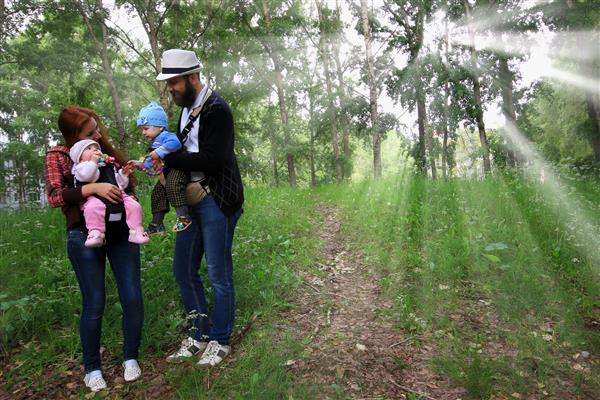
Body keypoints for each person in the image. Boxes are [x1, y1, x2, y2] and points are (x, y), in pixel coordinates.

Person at [45, 106, 144, 392]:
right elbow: (54, 197)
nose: (98, 135)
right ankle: (92, 368)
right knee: (94, 302)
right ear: (73, 135)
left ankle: (131, 357)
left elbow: (128, 188)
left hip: (121, 232)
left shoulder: (104, 152)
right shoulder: (59, 156)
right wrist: (92, 189)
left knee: (132, 296)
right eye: (91, 132)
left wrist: (123, 188)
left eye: (97, 128)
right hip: (83, 234)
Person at [156, 49, 244, 367]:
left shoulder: (217, 109)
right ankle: (198, 333)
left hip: (217, 200)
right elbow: (183, 148)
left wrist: (169, 158)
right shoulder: (184, 107)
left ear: (192, 78)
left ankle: (220, 339)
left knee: (218, 273)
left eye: (175, 83)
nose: (171, 89)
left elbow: (213, 159)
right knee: (183, 269)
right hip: (190, 203)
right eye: (169, 84)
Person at [69, 139, 149, 247]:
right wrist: (93, 162)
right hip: (94, 197)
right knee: (93, 208)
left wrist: (123, 175)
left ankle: (136, 230)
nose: (94, 150)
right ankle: (96, 233)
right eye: (89, 148)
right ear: (79, 157)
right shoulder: (81, 167)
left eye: (96, 148)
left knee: (134, 206)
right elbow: (87, 176)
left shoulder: (108, 165)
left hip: (117, 193)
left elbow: (119, 184)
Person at [134, 101, 192, 234]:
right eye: (142, 129)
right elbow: (151, 162)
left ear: (160, 126)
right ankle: (157, 224)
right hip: (167, 171)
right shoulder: (156, 142)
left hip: (179, 169)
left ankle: (183, 217)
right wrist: (138, 164)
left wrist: (159, 151)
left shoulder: (166, 136)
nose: (143, 132)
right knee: (158, 192)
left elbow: (175, 143)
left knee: (172, 184)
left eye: (146, 128)